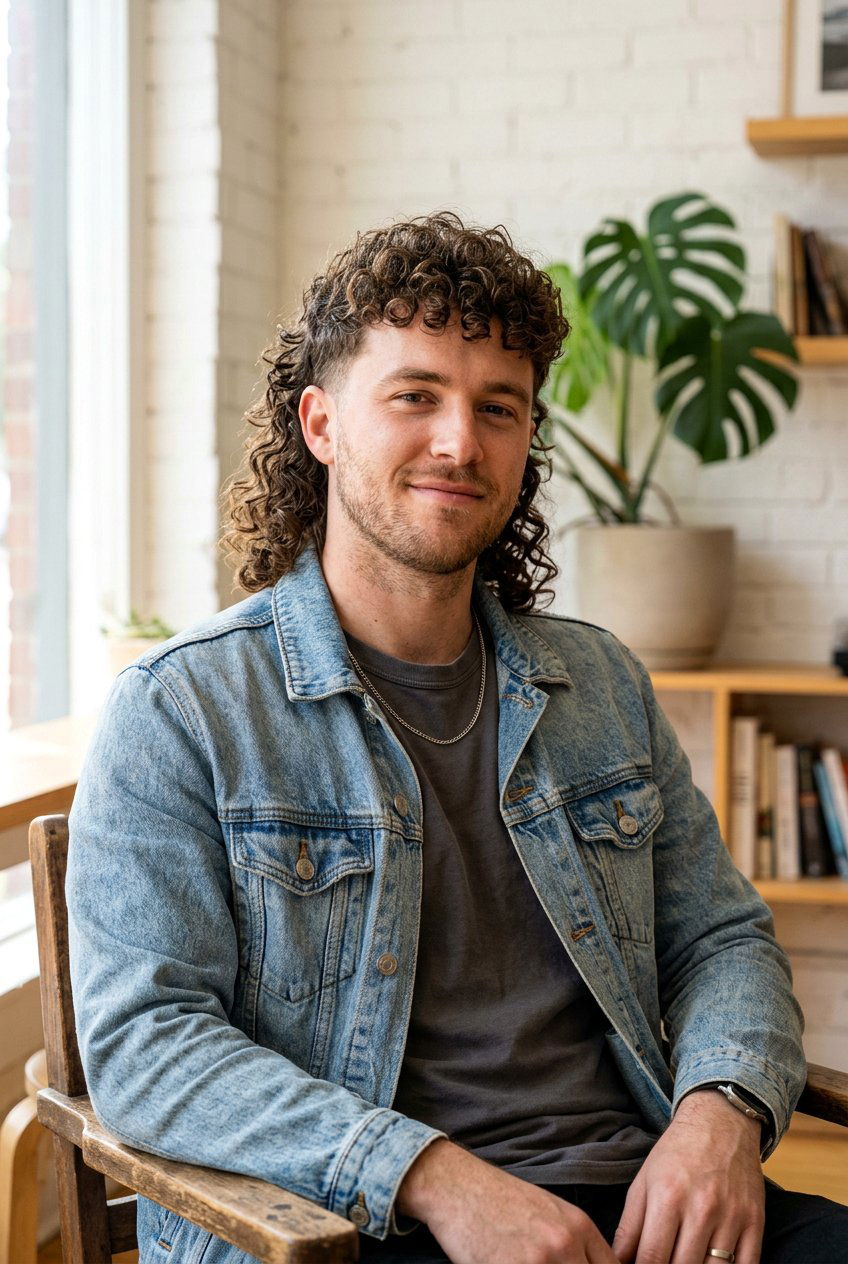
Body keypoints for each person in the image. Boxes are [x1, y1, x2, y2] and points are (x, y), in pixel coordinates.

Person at [66, 211, 848, 1264]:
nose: (458, 442)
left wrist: (719, 1110)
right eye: (414, 397)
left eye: (497, 407)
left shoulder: (598, 681)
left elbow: (718, 938)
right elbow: (146, 1046)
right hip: (350, 1224)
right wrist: (430, 1176)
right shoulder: (184, 708)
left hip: (638, 1208)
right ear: (320, 423)